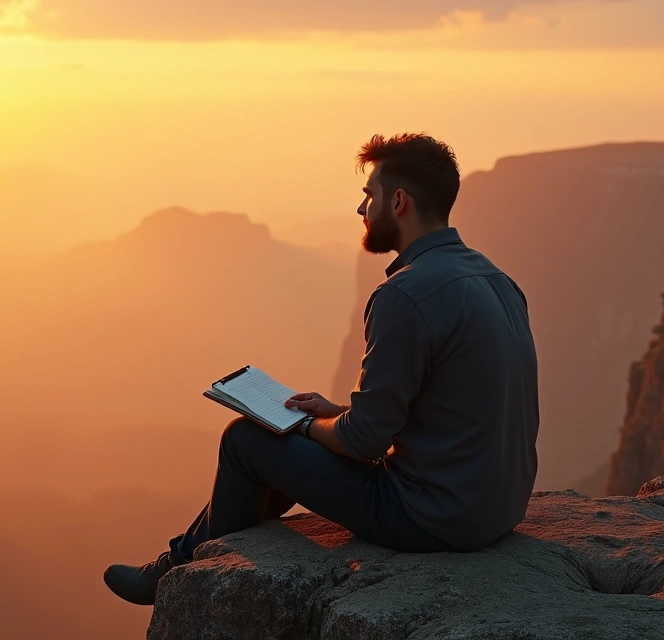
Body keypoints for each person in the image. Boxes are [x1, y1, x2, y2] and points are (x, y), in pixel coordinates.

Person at [103, 133, 539, 606]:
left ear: (398, 201)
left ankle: (181, 577)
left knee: (244, 440)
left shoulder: (405, 296)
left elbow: (361, 442)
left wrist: (309, 425)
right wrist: (334, 412)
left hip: (431, 517)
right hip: (497, 509)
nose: (361, 209)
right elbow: (445, 404)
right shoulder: (497, 280)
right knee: (272, 452)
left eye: (368, 195)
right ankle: (186, 561)